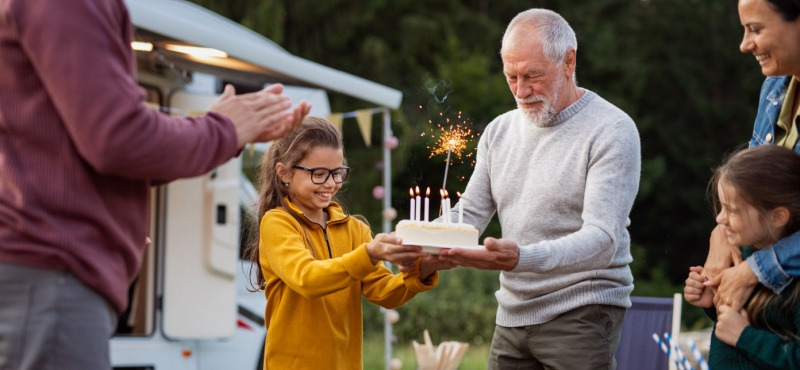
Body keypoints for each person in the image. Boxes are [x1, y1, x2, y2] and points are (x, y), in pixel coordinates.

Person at [0, 1, 310, 369]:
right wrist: (223, 129)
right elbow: (117, 139)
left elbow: (83, 151)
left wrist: (226, 132)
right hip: (54, 277)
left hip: (49, 278)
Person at [437, 8, 641, 369]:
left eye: (533, 75)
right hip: (512, 311)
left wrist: (522, 258)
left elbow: (602, 239)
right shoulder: (499, 131)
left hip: (582, 308)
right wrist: (420, 240)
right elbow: (469, 214)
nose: (521, 90)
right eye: (511, 77)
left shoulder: (611, 130)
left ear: (568, 61)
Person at [245, 116, 452, 369]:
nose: (331, 184)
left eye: (337, 173)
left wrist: (424, 269)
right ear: (285, 173)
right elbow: (307, 278)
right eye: (319, 174)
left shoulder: (355, 229)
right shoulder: (278, 222)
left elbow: (384, 292)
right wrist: (370, 254)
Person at [703, 0, 800, 312]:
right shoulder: (773, 87)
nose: (745, 45)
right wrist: (722, 234)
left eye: (755, 29)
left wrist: (755, 269)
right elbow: (748, 187)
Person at [685, 145, 800, 369]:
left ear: (777, 217)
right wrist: (713, 302)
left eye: (732, 210)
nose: (719, 219)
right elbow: (740, 322)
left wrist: (744, 336)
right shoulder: (743, 252)